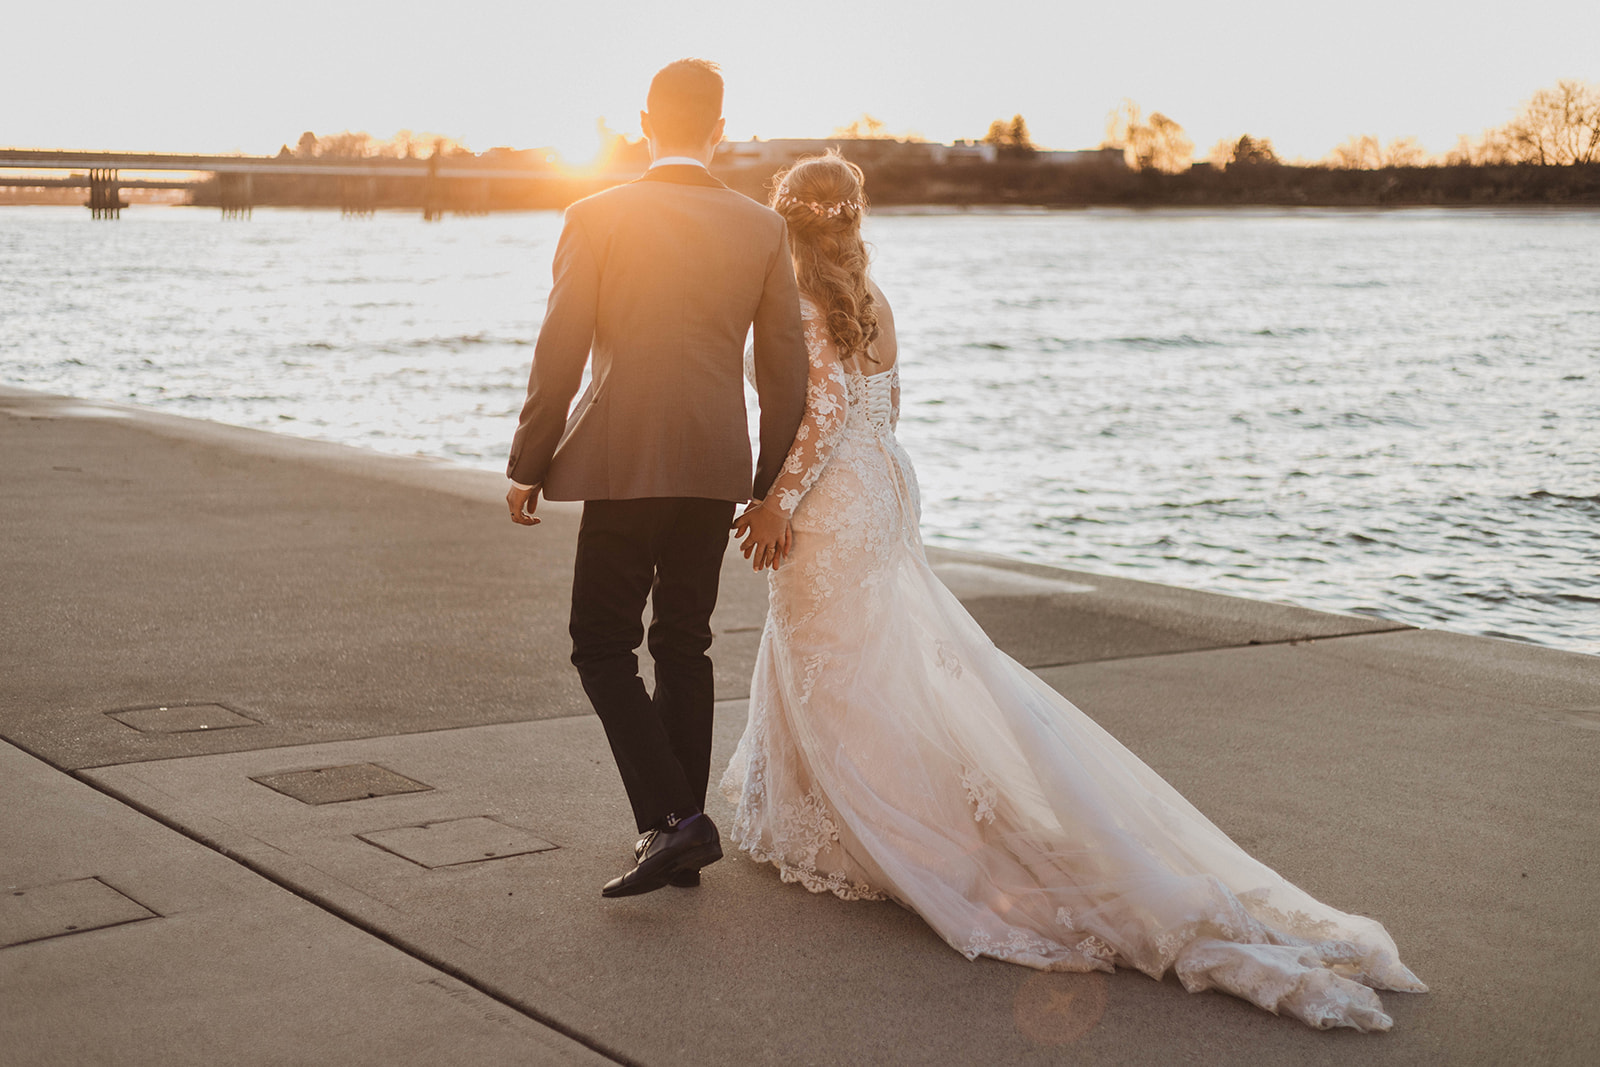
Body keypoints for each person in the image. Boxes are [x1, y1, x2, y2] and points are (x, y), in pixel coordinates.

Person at [722, 151, 1427, 1031]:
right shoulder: (875, 302)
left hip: (831, 500)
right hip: (886, 487)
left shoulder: (799, 303)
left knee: (839, 659)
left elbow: (820, 417)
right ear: (852, 217)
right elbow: (883, 410)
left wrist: (774, 505)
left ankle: (877, 817)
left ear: (784, 218)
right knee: (882, 653)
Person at [506, 59, 808, 898]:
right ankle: (677, 838)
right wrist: (766, 481)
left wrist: (527, 462)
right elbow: (786, 371)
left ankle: (677, 818)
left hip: (622, 457)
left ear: (646, 122)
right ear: (719, 128)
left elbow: (559, 351)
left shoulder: (594, 213)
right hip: (715, 463)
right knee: (684, 639)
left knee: (600, 644)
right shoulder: (760, 227)